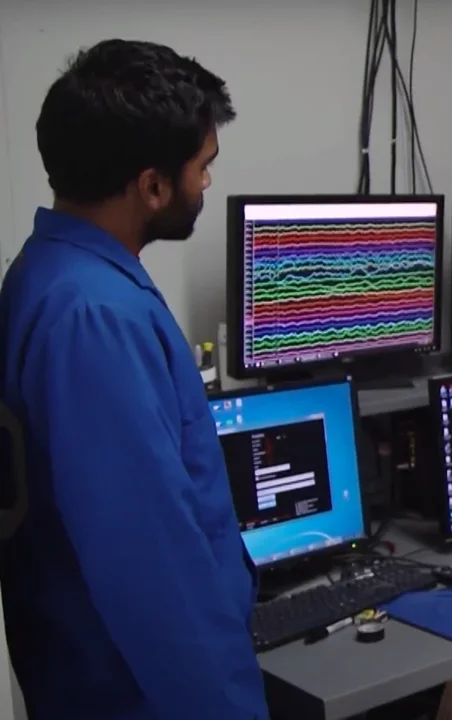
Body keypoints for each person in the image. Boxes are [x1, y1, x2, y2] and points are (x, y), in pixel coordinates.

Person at [0, 40, 267, 719]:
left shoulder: (53, 272)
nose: (207, 184)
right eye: (202, 166)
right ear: (151, 186)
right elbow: (154, 577)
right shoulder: (94, 320)